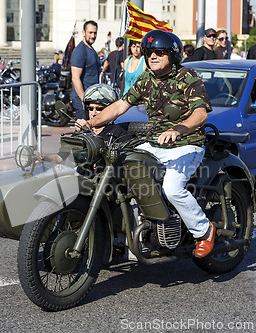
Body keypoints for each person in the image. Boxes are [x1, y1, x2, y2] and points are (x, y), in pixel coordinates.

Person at [76, 30, 216, 258]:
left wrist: (178, 129)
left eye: (159, 52)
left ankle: (204, 230)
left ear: (172, 55)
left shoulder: (188, 76)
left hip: (186, 144)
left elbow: (200, 114)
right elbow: (120, 106)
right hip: (155, 144)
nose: (152, 56)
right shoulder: (145, 79)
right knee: (117, 165)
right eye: (149, 52)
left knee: (172, 189)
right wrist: (92, 124)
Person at [44, 83, 132, 163]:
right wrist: (42, 158)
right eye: (90, 109)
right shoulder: (81, 133)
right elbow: (59, 157)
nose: (93, 113)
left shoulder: (119, 134)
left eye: (99, 109)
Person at [71, 20, 101, 120]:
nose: (93, 35)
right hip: (83, 101)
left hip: (93, 100)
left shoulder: (91, 50)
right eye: (90, 32)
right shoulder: (80, 51)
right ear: (83, 32)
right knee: (82, 132)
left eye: (95, 33)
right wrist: (84, 100)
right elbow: (75, 78)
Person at [115, 39, 148, 124]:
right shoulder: (127, 61)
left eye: (138, 47)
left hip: (139, 101)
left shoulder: (145, 61)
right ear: (130, 48)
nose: (136, 49)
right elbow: (124, 81)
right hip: (126, 98)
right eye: (133, 46)